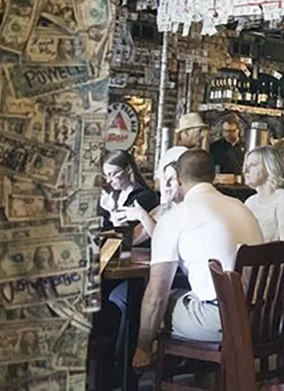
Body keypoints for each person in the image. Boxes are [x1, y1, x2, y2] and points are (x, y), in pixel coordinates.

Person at [133, 149, 262, 368]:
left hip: (221, 320)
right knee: (183, 298)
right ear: (212, 176)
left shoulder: (176, 217)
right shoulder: (242, 207)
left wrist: (143, 345)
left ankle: (141, 364)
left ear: (179, 179)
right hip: (262, 315)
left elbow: (156, 296)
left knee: (154, 303)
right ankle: (203, 372)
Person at [96, 146, 187, 387]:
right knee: (107, 299)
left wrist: (135, 214)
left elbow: (153, 240)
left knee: (124, 302)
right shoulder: (161, 207)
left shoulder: (148, 199)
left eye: (171, 181)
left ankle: (125, 371)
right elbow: (129, 237)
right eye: (163, 180)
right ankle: (110, 371)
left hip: (170, 281)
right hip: (145, 274)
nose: (165, 187)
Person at [114, 146, 189, 246]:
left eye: (171, 179)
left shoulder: (190, 209)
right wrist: (118, 220)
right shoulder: (162, 209)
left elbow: (166, 243)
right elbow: (130, 241)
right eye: (164, 178)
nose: (166, 185)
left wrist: (143, 216)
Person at [243, 146, 284, 241]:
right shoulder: (250, 202)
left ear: (270, 167)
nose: (245, 171)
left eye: (253, 165)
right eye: (245, 166)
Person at [99, 150, 159, 231]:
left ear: (128, 170)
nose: (108, 181)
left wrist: (112, 211)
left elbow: (131, 235)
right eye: (106, 176)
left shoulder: (145, 197)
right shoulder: (112, 195)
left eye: (113, 174)